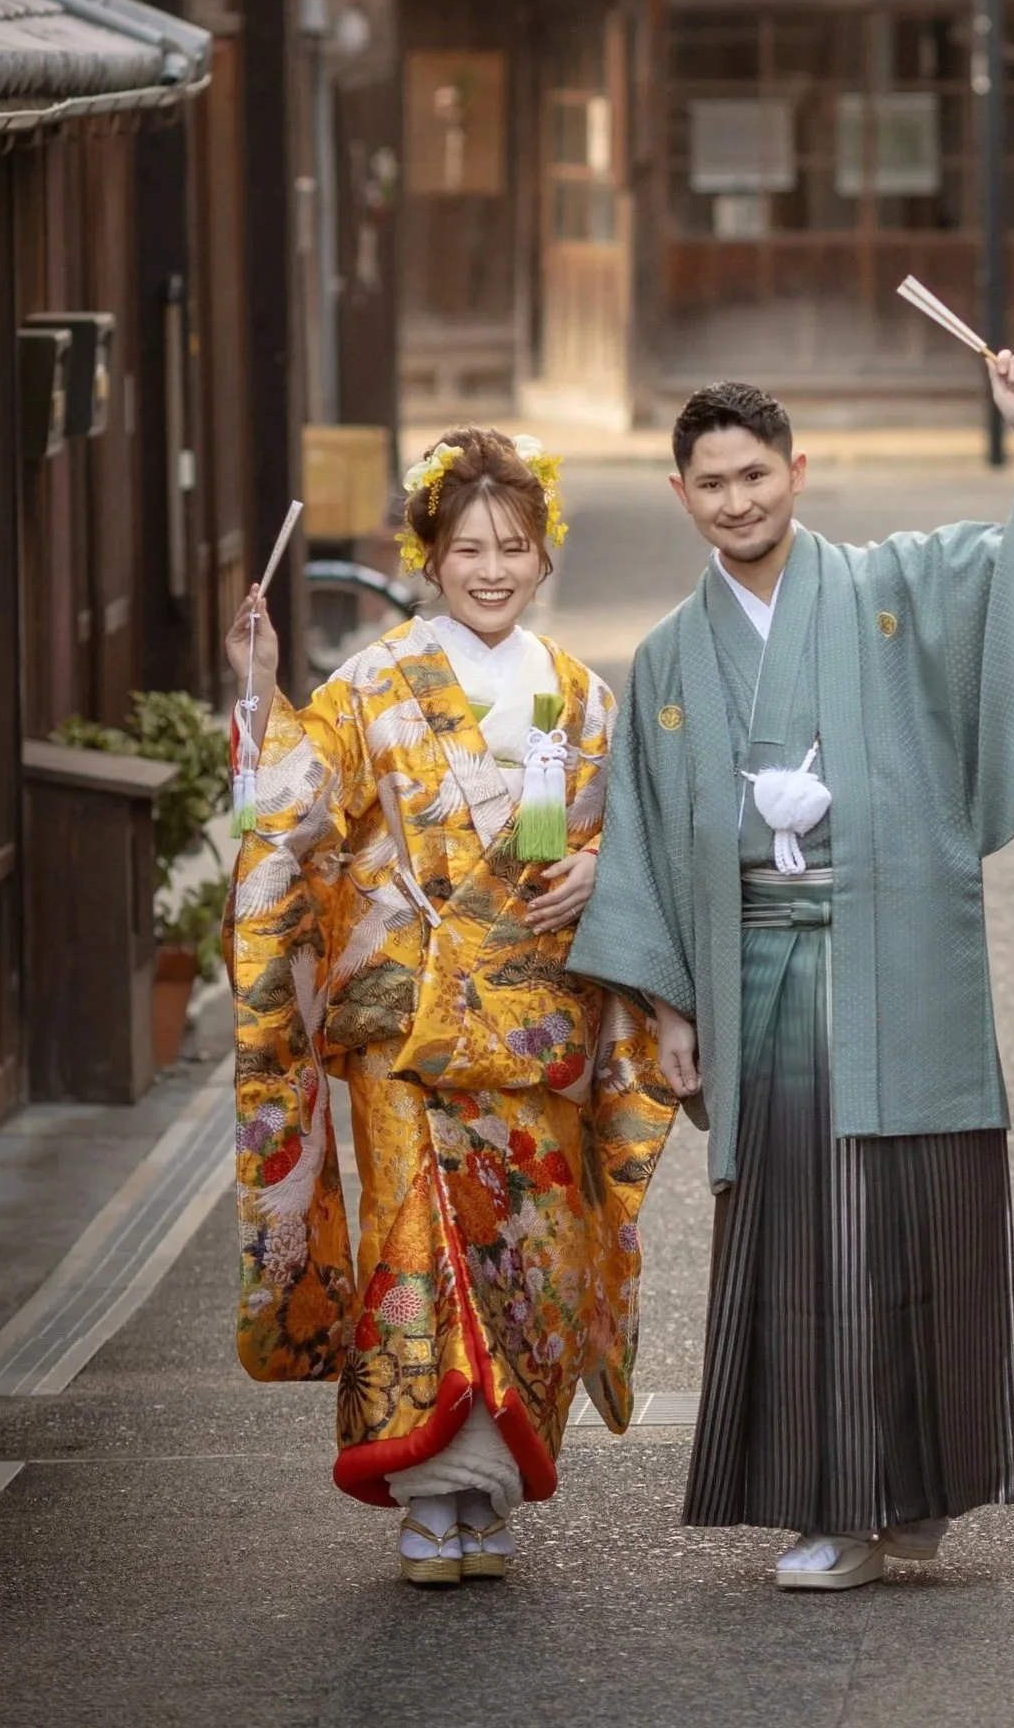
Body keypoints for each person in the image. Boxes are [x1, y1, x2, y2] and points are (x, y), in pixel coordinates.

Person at [570, 356, 1014, 1589]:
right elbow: (638, 837)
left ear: (796, 472)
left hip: (899, 959)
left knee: (926, 1222)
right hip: (762, 980)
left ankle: (918, 1495)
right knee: (809, 1245)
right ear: (681, 493)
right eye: (713, 482)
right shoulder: (669, 658)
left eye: (756, 474)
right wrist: (668, 1004)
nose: (738, 500)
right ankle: (836, 1505)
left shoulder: (893, 587)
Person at [224, 427, 676, 1585]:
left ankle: (493, 1480)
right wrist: (258, 691)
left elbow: (635, 838)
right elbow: (294, 818)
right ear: (428, 554)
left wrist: (609, 866)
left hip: (539, 1032)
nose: (491, 568)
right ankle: (434, 1489)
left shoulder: (579, 694)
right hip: (407, 1031)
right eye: (467, 546)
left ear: (543, 554)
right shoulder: (370, 686)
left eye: (513, 546)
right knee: (417, 1243)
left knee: (534, 1250)